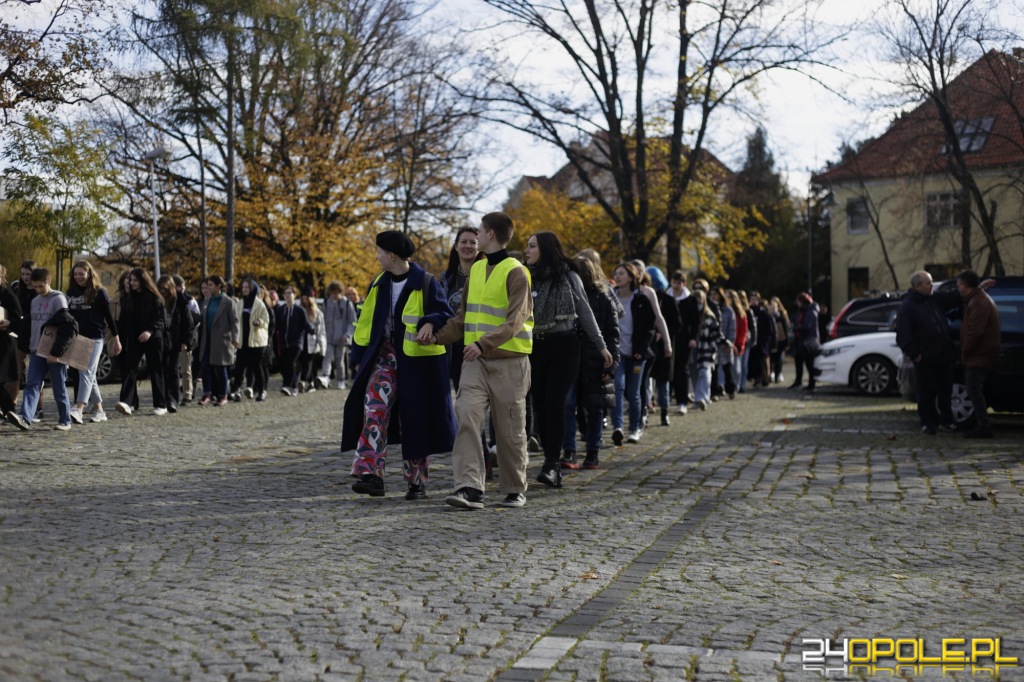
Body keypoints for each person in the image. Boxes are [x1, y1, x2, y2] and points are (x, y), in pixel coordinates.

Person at [341, 230, 457, 500]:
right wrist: (358, 360)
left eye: (379, 252)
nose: (377, 256)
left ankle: (416, 483)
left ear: (391, 255)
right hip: (384, 358)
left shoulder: (425, 281)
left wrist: (429, 321)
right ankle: (371, 475)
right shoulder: (378, 282)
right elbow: (365, 323)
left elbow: (445, 314)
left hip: (416, 363)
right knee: (374, 407)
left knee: (413, 418)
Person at [430, 211, 534, 510]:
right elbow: (462, 319)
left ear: (490, 234)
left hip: (510, 362)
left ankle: (515, 488)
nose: (476, 234)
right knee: (466, 414)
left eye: (480, 229)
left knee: (509, 429)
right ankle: (469, 487)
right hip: (474, 362)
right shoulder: (475, 270)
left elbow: (516, 321)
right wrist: (435, 336)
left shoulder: (517, 272)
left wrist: (481, 343)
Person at [524, 231, 611, 488]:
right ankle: (550, 460)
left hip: (565, 346)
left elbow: (584, 311)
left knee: (555, 404)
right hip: (535, 347)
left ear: (546, 249)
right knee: (539, 406)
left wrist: (602, 346)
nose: (526, 251)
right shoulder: (526, 277)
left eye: (531, 246)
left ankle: (552, 464)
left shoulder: (569, 276)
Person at [895, 271, 959, 434]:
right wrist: (915, 354)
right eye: (928, 283)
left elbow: (952, 298)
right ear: (917, 286)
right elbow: (903, 334)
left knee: (946, 390)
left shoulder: (933, 299)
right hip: (926, 357)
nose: (932, 286)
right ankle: (928, 422)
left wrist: (976, 288)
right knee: (926, 391)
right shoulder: (908, 305)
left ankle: (946, 419)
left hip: (944, 355)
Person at [18, 268, 75, 430]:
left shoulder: (58, 299)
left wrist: (56, 353)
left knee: (59, 387)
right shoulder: (35, 301)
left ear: (48, 281)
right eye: (35, 286)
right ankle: (25, 417)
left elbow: (66, 328)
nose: (38, 290)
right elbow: (33, 326)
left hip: (54, 352)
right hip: (36, 350)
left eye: (41, 286)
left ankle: (65, 420)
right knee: (32, 384)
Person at [66, 261, 121, 423]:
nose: (78, 277)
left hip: (95, 337)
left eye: (81, 274)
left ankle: (79, 409)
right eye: (76, 274)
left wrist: (116, 339)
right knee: (89, 375)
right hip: (78, 338)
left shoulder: (99, 292)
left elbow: (109, 318)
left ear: (89, 274)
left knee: (87, 372)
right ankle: (100, 411)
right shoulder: (70, 292)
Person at [611, 262, 656, 445]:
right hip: (618, 353)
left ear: (631, 277)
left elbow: (649, 327)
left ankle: (635, 428)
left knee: (634, 393)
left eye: (621, 273)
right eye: (616, 273)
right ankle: (618, 428)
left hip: (637, 355)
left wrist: (641, 349)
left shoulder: (641, 299)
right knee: (617, 388)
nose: (617, 276)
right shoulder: (611, 297)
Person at [116, 268, 168, 416]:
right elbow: (128, 321)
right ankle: (127, 402)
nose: (131, 283)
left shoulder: (154, 297)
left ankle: (160, 404)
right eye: (130, 280)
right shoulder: (128, 298)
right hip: (135, 339)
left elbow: (160, 319)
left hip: (153, 337)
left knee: (155, 369)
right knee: (129, 368)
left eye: (134, 280)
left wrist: (149, 331)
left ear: (143, 281)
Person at [439, 227, 485, 391]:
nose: (468, 246)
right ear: (456, 246)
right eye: (463, 241)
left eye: (473, 242)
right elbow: (439, 310)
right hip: (453, 348)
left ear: (479, 247)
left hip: (479, 347)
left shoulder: (488, 275)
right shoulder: (446, 278)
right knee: (461, 398)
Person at [956, 270, 999, 439]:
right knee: (975, 389)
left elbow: (974, 332)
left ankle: (983, 426)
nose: (958, 288)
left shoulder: (979, 302)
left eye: (959, 285)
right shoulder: (978, 298)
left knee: (974, 389)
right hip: (980, 354)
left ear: (965, 286)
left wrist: (965, 352)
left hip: (978, 355)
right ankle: (982, 424)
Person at [197, 275, 240, 406]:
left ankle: (223, 395)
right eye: (207, 285)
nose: (208, 288)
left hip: (222, 340)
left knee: (221, 368)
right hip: (207, 339)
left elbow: (235, 321)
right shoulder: (207, 301)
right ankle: (207, 394)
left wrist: (235, 337)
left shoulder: (228, 302)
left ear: (218, 286)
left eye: (211, 285)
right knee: (205, 366)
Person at [156, 275, 195, 412]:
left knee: (173, 370)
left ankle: (172, 400)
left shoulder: (180, 303)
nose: (163, 292)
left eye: (165, 289)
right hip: (160, 340)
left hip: (175, 340)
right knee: (162, 370)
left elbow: (188, 324)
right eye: (160, 289)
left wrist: (186, 341)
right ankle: (163, 399)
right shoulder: (157, 301)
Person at [0, 264, 28, 430]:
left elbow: (19, 321)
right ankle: (9, 411)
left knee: (3, 380)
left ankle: (9, 410)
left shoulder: (8, 295)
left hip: (4, 342)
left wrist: (9, 323)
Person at [233, 279, 271, 401]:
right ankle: (237, 390)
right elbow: (235, 321)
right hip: (242, 341)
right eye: (243, 287)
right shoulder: (239, 303)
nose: (244, 289)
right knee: (239, 367)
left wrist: (259, 322)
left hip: (256, 341)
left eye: (247, 287)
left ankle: (261, 390)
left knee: (257, 367)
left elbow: (266, 321)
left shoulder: (259, 304)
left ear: (253, 289)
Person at [692, 289, 729, 410]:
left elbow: (717, 334)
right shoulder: (690, 315)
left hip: (707, 350)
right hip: (694, 349)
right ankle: (701, 397)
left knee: (705, 373)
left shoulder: (710, 317)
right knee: (696, 375)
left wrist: (725, 343)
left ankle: (701, 398)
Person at [274, 286, 314, 396]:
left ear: (294, 295)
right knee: (284, 365)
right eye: (285, 293)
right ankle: (292, 386)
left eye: (289, 293)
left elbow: (305, 325)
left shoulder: (299, 310)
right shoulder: (280, 310)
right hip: (283, 342)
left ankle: (287, 386)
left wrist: (312, 331)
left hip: (296, 342)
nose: (287, 295)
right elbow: (276, 326)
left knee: (291, 362)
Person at [320, 281, 357, 390]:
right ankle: (325, 377)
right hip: (328, 337)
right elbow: (322, 320)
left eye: (336, 293)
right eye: (332, 293)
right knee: (327, 358)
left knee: (339, 360)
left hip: (341, 338)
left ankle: (341, 379)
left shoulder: (346, 304)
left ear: (341, 292)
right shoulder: (327, 303)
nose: (334, 295)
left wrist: (347, 335)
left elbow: (352, 322)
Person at [173, 275, 200, 403]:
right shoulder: (168, 300)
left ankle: (187, 393)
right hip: (174, 338)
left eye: (182, 286)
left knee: (185, 368)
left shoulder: (189, 300)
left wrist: (188, 339)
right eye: (179, 286)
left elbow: (196, 319)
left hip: (186, 338)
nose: (181, 288)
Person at [789, 292, 821, 393]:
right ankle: (801, 382)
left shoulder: (810, 312)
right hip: (804, 340)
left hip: (808, 341)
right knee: (800, 361)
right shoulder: (805, 311)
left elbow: (807, 326)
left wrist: (795, 328)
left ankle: (811, 383)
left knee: (808, 363)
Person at [297, 289, 325, 393]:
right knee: (305, 362)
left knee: (308, 362)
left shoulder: (317, 313)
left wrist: (322, 345)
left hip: (312, 340)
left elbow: (321, 330)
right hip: (301, 339)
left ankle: (304, 381)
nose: (304, 301)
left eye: (306, 299)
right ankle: (311, 382)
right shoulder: (299, 310)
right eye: (303, 299)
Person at [769, 296, 791, 384]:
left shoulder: (782, 315)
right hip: (772, 339)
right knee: (772, 357)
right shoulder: (769, 315)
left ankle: (779, 373)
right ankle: (772, 372)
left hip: (781, 339)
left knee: (779, 357)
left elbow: (787, 327)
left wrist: (787, 342)